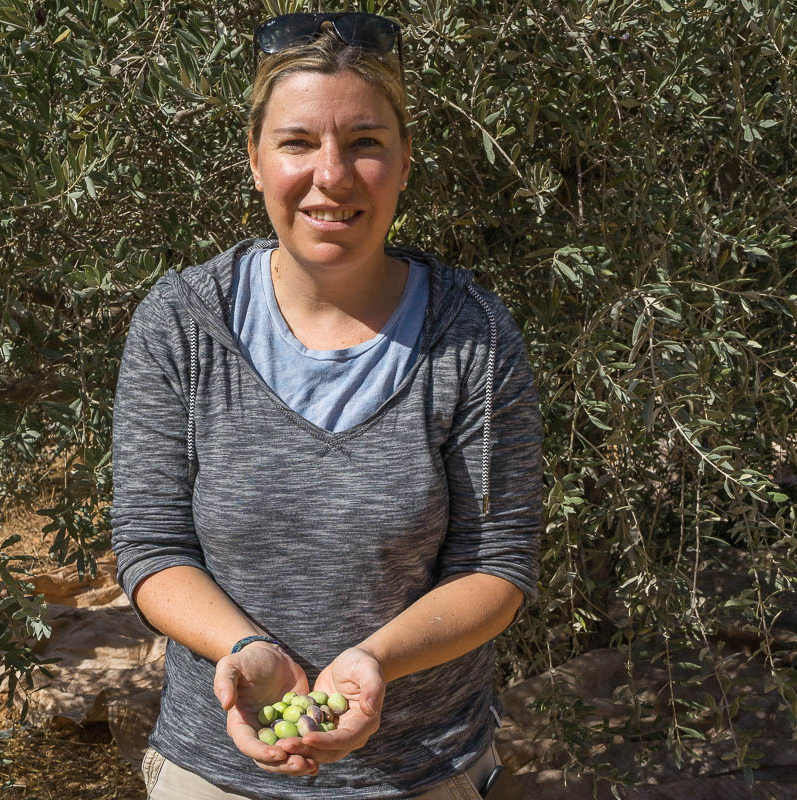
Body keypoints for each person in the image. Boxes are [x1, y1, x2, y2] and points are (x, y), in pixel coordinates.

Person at [110, 12, 543, 799]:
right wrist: (243, 648)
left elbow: (496, 567)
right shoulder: (181, 323)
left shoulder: (473, 336)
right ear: (255, 158)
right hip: (216, 772)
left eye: (366, 142)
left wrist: (375, 662)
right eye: (298, 142)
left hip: (424, 774)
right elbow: (150, 544)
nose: (332, 176)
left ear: (406, 159)